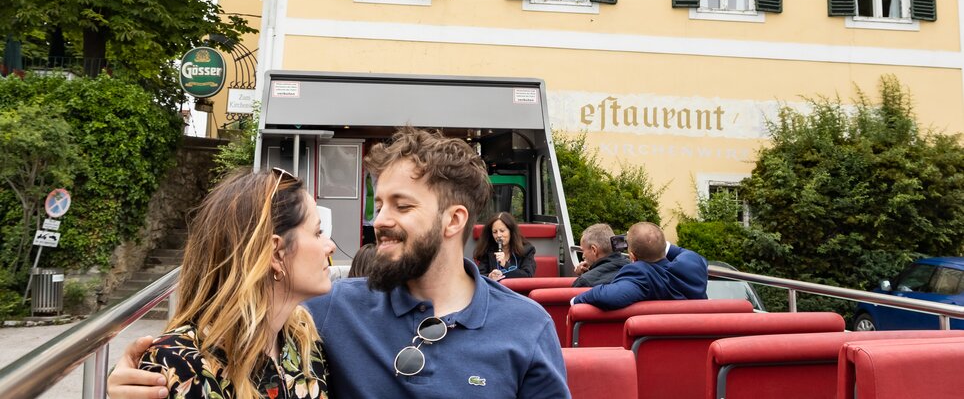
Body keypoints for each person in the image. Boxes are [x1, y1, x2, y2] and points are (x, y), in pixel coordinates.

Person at [108, 127, 569, 399]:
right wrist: (130, 384)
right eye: (379, 203)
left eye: (401, 206)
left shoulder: (525, 327)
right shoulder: (323, 311)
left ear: (454, 220)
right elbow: (224, 337)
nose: (378, 221)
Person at [138, 168, 336, 399]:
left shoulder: (303, 341)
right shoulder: (179, 365)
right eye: (317, 232)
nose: (330, 246)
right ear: (276, 253)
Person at [572, 221, 707, 310]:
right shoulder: (693, 263)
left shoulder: (639, 275)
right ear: (664, 246)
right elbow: (680, 252)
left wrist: (576, 300)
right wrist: (655, 240)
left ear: (632, 257)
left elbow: (611, 296)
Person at [473, 212, 537, 281]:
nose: (498, 235)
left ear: (511, 232)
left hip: (518, 291)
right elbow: (479, 275)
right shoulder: (488, 250)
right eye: (495, 232)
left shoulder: (527, 249)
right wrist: (489, 276)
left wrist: (506, 264)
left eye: (502, 231)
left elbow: (527, 275)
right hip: (495, 290)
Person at [572, 223, 631, 287]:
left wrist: (583, 277)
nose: (583, 256)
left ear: (594, 250)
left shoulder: (585, 282)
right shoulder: (635, 269)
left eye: (583, 251)